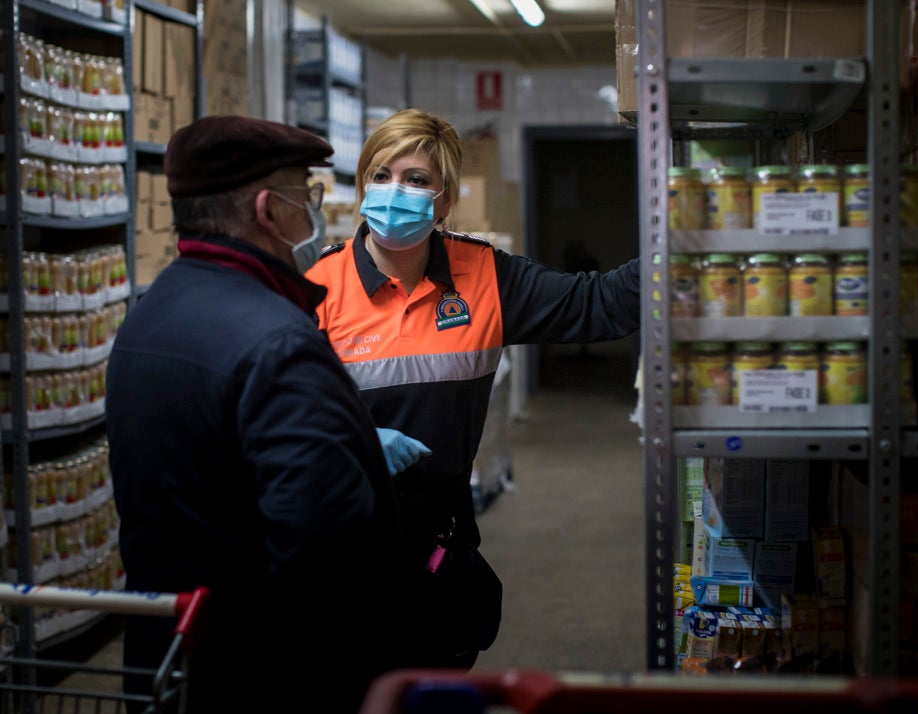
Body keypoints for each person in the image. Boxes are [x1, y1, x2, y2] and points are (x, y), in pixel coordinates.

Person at [106, 115, 427, 713]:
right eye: (302, 195)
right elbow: (324, 551)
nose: (311, 210)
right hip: (263, 673)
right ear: (266, 209)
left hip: (170, 660)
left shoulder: (149, 314)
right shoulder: (279, 339)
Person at [305, 108, 641, 668]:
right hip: (337, 547)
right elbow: (270, 420)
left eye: (416, 181)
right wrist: (353, 439)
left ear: (444, 199)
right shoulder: (317, 284)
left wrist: (682, 246)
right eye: (381, 175)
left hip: (438, 549)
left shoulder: (483, 273)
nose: (395, 192)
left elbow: (598, 303)